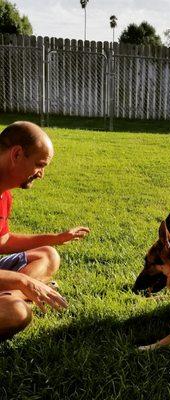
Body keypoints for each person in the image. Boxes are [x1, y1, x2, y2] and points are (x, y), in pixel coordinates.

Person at [0, 121, 89, 341]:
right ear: (17, 154)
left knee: (48, 254)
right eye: (40, 164)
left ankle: (14, 294)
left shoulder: (4, 194)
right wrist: (23, 281)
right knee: (16, 313)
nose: (41, 174)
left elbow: (4, 240)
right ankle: (18, 296)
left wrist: (57, 238)